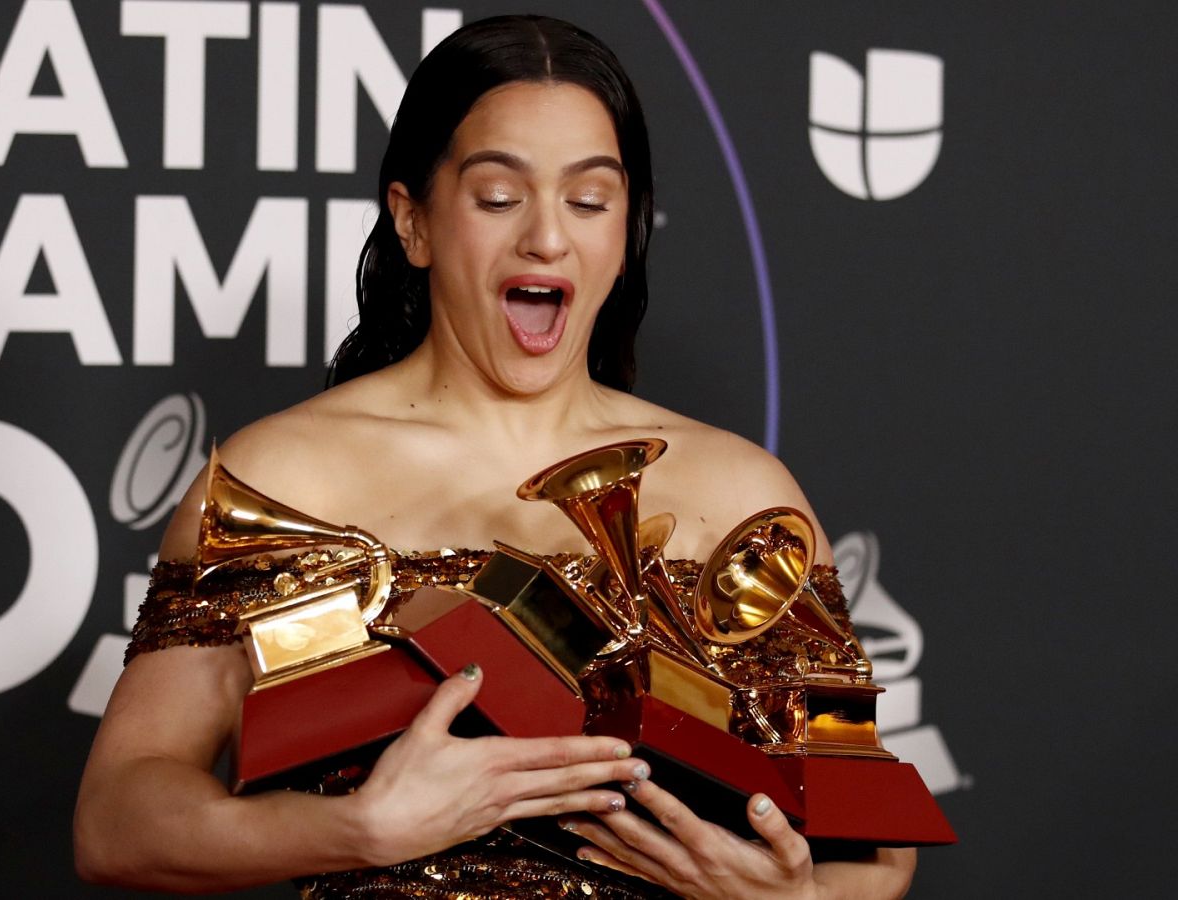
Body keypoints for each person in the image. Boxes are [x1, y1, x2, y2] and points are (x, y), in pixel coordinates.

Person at [74, 14, 916, 899]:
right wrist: (355, 828)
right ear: (414, 223)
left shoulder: (746, 493)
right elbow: (117, 820)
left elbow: (874, 842)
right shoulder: (281, 478)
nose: (547, 238)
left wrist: (797, 899)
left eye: (589, 201)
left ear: (626, 234)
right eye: (498, 197)